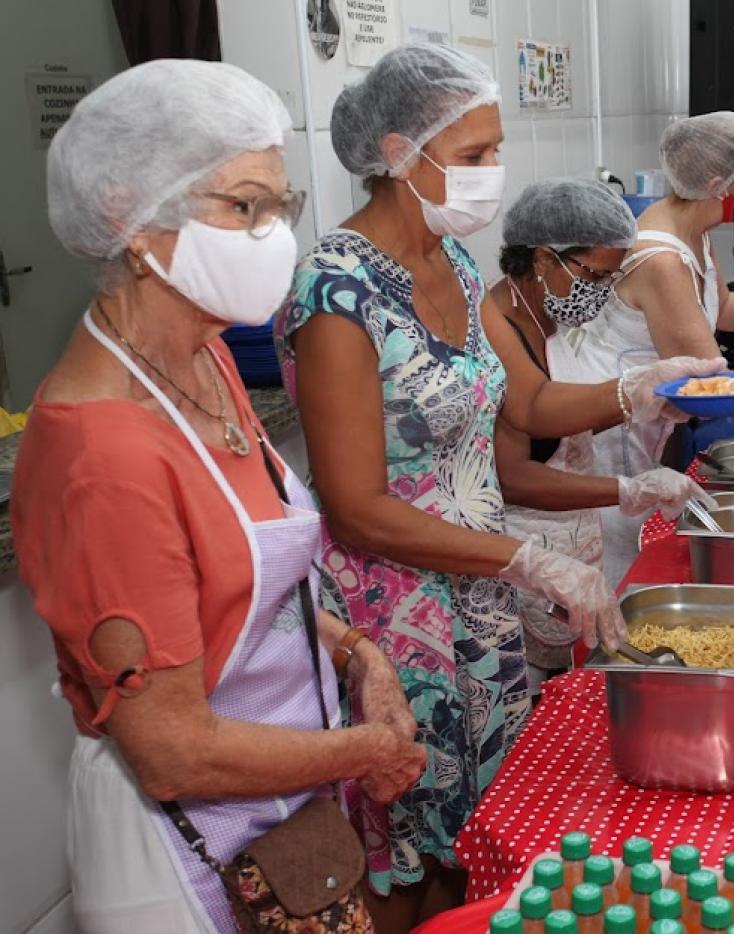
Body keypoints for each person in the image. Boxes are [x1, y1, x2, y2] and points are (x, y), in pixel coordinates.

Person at [274, 44, 720, 931]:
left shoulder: (455, 265)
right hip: (396, 617)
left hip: (481, 603)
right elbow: (357, 507)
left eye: (493, 150)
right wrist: (527, 557)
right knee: (407, 850)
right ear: (402, 152)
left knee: (481, 831)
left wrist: (641, 388)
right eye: (475, 155)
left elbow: (524, 405)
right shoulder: (338, 291)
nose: (492, 175)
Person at [13, 60, 425, 933]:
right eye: (244, 207)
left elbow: (247, 590)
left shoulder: (203, 358)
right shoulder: (102, 451)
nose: (272, 235)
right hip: (182, 847)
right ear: (132, 217)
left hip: (283, 811)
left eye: (281, 207)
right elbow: (171, 751)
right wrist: (369, 751)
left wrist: (360, 657)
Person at [555, 110, 734, 586]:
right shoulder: (661, 258)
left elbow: (719, 303)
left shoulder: (694, 229)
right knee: (617, 548)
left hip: (647, 409)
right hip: (610, 420)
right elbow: (710, 379)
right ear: (720, 186)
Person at [488, 177, 712, 693]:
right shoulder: (497, 330)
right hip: (525, 573)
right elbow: (515, 477)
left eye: (611, 279)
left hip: (566, 556)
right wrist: (627, 489)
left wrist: (647, 406)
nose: (601, 292)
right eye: (593, 275)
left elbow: (559, 426)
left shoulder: (545, 321)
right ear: (545, 260)